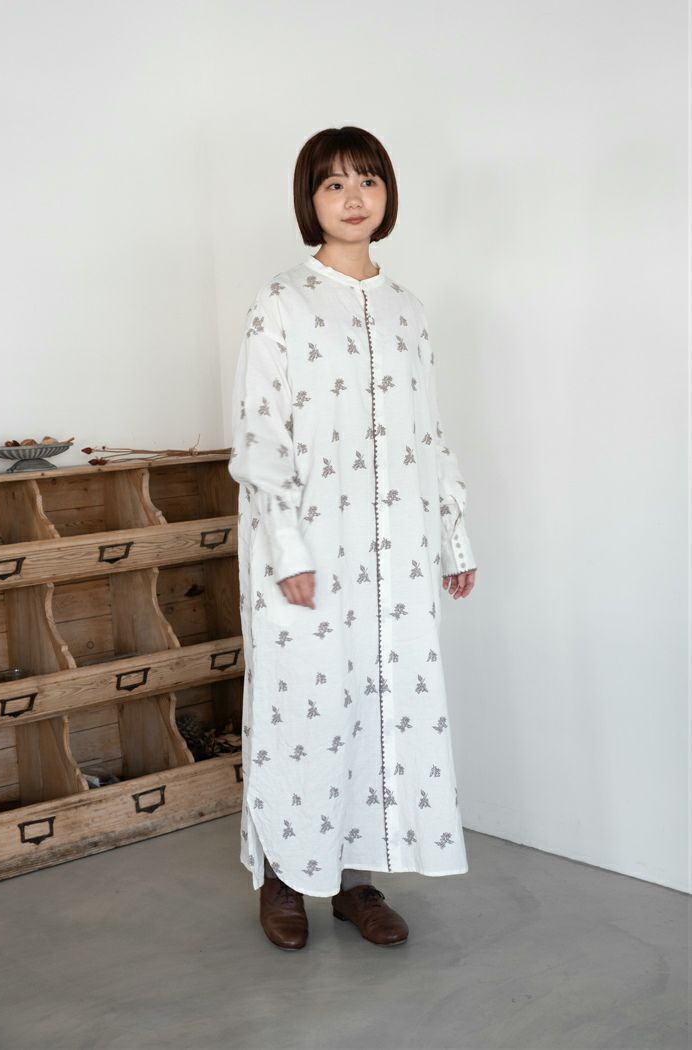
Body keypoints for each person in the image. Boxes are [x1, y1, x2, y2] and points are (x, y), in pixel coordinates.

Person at [227, 125, 478, 951]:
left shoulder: (408, 310)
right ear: (310, 200)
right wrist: (288, 552)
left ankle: (354, 879)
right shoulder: (281, 302)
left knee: (380, 706)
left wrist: (453, 537)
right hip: (305, 550)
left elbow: (430, 431)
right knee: (302, 707)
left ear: (387, 193)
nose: (353, 197)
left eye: (367, 179)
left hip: (395, 553)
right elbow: (259, 434)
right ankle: (284, 876)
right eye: (333, 183)